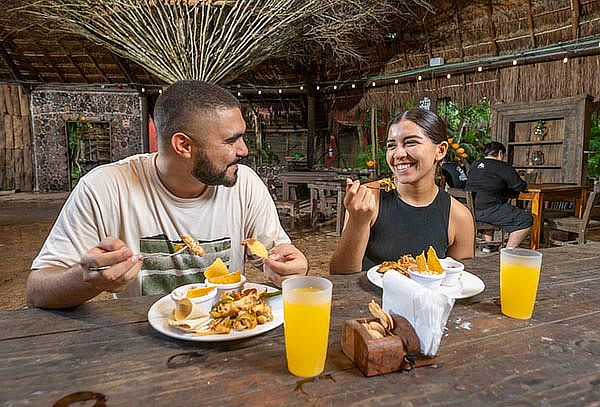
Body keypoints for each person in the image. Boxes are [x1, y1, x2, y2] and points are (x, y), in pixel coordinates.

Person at [27, 80, 308, 309]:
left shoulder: (245, 184)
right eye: (230, 140)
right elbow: (37, 291)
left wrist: (289, 268)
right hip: (142, 347)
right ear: (183, 145)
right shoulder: (104, 188)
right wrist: (87, 278)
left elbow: (277, 259)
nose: (244, 150)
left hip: (228, 333)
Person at [330, 108, 475, 274]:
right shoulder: (369, 198)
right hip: (370, 298)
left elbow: (457, 281)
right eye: (391, 145)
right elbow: (339, 274)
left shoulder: (459, 217)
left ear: (440, 150)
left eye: (411, 143)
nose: (397, 154)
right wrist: (358, 221)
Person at [466, 141, 532, 250]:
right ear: (500, 153)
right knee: (525, 219)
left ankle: (487, 247)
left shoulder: (474, 165)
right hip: (487, 210)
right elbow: (520, 186)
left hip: (469, 210)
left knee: (492, 211)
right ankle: (508, 251)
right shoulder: (502, 166)